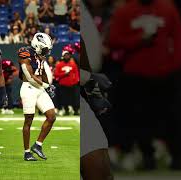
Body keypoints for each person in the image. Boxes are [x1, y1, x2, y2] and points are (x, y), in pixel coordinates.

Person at [108, 0, 181, 170]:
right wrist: (138, 39)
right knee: (141, 120)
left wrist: (176, 65)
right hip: (135, 75)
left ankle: (177, 157)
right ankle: (147, 157)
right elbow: (113, 39)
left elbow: (178, 37)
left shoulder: (167, 7)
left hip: (166, 73)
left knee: (173, 117)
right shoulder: (125, 11)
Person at [80, 2, 113, 180]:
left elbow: (82, 59)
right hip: (25, 104)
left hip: (73, 100)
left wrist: (94, 94)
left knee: (99, 169)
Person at [18, 33, 56, 161]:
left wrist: (48, 84)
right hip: (28, 88)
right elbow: (29, 76)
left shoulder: (41, 56)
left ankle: (38, 145)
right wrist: (46, 85)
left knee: (51, 116)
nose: (47, 51)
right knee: (29, 120)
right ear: (37, 45)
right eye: (45, 48)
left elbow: (43, 71)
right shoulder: (25, 52)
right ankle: (27, 152)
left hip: (39, 88)